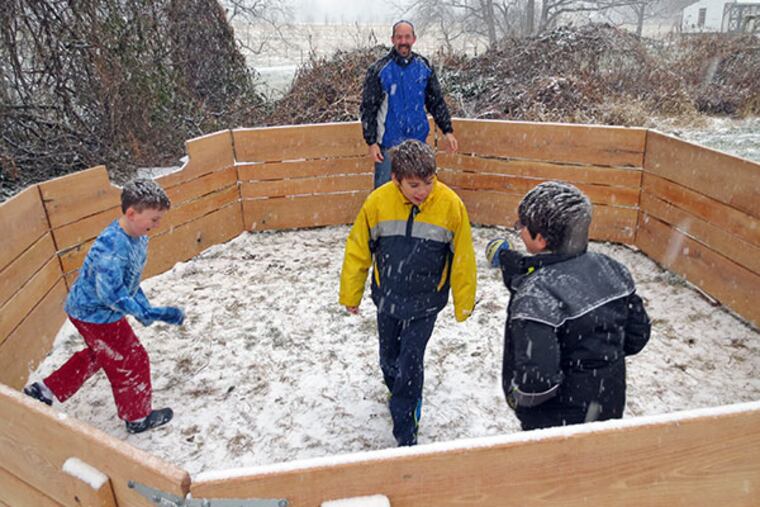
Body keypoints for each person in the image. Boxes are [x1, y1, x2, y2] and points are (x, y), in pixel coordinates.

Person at [339, 139, 476, 446]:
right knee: (389, 357)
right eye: (414, 184)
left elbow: (463, 257)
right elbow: (359, 249)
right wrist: (352, 293)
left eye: (429, 182)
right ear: (395, 179)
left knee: (411, 361)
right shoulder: (376, 203)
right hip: (387, 296)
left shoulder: (450, 205)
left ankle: (406, 427)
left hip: (426, 302)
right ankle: (397, 388)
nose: (422, 191)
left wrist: (463, 302)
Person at [23, 178, 185, 434]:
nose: (157, 224)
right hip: (96, 314)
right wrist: (147, 313)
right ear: (131, 213)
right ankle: (138, 417)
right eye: (154, 219)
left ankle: (45, 390)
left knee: (103, 354)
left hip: (91, 311)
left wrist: (144, 305)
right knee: (132, 359)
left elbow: (130, 281)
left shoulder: (137, 236)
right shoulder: (111, 247)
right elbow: (111, 294)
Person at [485, 181, 651, 431]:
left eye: (521, 226)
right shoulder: (612, 270)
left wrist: (518, 398)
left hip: (555, 420)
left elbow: (537, 382)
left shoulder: (535, 296)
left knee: (558, 469)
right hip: (609, 400)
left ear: (540, 239)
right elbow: (637, 336)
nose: (519, 231)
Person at [360, 20, 459, 188]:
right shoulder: (379, 70)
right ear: (392, 40)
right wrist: (371, 142)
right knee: (385, 197)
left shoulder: (424, 67)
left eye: (407, 37)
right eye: (399, 37)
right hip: (388, 147)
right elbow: (368, 109)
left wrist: (447, 130)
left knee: (421, 196)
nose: (403, 41)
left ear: (414, 39)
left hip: (418, 146)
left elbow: (436, 102)